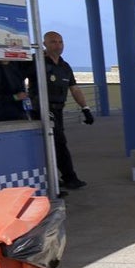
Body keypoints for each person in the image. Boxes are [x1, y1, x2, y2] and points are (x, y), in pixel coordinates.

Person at [37, 32, 94, 190]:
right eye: (53, 42)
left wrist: (86, 108)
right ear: (45, 44)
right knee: (57, 144)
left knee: (56, 145)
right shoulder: (38, 63)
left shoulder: (65, 66)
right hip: (42, 110)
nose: (58, 45)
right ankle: (68, 178)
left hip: (58, 111)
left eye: (60, 41)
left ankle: (55, 180)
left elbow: (74, 89)